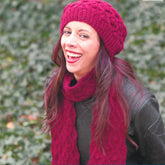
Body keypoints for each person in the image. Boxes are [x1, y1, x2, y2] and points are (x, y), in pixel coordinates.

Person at [43, 0, 165, 164]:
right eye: (67, 32)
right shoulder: (56, 87)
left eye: (83, 35)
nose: (69, 42)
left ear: (103, 46)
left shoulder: (138, 104)